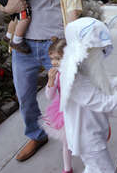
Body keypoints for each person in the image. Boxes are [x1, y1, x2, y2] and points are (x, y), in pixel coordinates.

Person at [0, 0, 82, 162]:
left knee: (70, 94)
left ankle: (77, 135)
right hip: (22, 46)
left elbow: (73, 11)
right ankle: (36, 135)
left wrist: (72, 47)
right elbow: (4, 0)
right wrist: (7, 9)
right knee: (24, 96)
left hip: (54, 45)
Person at [59, 17, 117, 173]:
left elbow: (103, 84)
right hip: (88, 139)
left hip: (92, 133)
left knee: (94, 168)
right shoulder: (74, 78)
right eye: (95, 48)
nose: (100, 52)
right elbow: (104, 102)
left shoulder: (84, 67)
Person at [42, 38, 73, 173]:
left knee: (82, 140)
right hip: (63, 112)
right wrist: (51, 81)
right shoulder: (57, 75)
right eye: (52, 58)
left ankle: (90, 164)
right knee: (66, 143)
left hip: (78, 111)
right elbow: (49, 96)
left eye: (58, 58)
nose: (54, 62)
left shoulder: (74, 74)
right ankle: (67, 168)